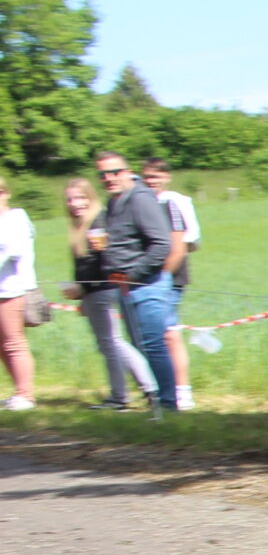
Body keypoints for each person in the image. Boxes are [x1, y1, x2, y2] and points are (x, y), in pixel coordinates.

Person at [94, 152, 177, 413]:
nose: (109, 178)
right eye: (103, 175)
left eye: (114, 172)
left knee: (153, 345)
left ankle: (167, 404)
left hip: (148, 285)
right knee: (143, 346)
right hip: (127, 288)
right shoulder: (115, 202)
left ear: (128, 171)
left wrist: (133, 274)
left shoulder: (140, 199)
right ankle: (157, 404)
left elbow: (162, 244)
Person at [62, 179, 152, 410]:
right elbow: (85, 264)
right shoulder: (81, 224)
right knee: (110, 344)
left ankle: (127, 395)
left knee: (112, 343)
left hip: (102, 290)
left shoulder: (98, 222)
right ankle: (143, 389)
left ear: (91, 197)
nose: (75, 204)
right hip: (93, 292)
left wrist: (84, 288)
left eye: (80, 198)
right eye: (70, 199)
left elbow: (103, 262)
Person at [140, 159, 199, 408]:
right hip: (147, 274)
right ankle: (161, 387)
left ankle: (181, 390)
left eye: (156, 176)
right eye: (147, 177)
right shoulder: (142, 201)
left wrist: (165, 272)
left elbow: (191, 240)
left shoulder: (175, 201)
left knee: (169, 333)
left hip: (171, 275)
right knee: (154, 334)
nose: (151, 181)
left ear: (166, 177)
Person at [0, 173, 36, 410]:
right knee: (3, 344)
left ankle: (26, 394)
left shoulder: (15, 218)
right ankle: (18, 392)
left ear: (6, 193)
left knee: (14, 343)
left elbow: (12, 251)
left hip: (11, 289)